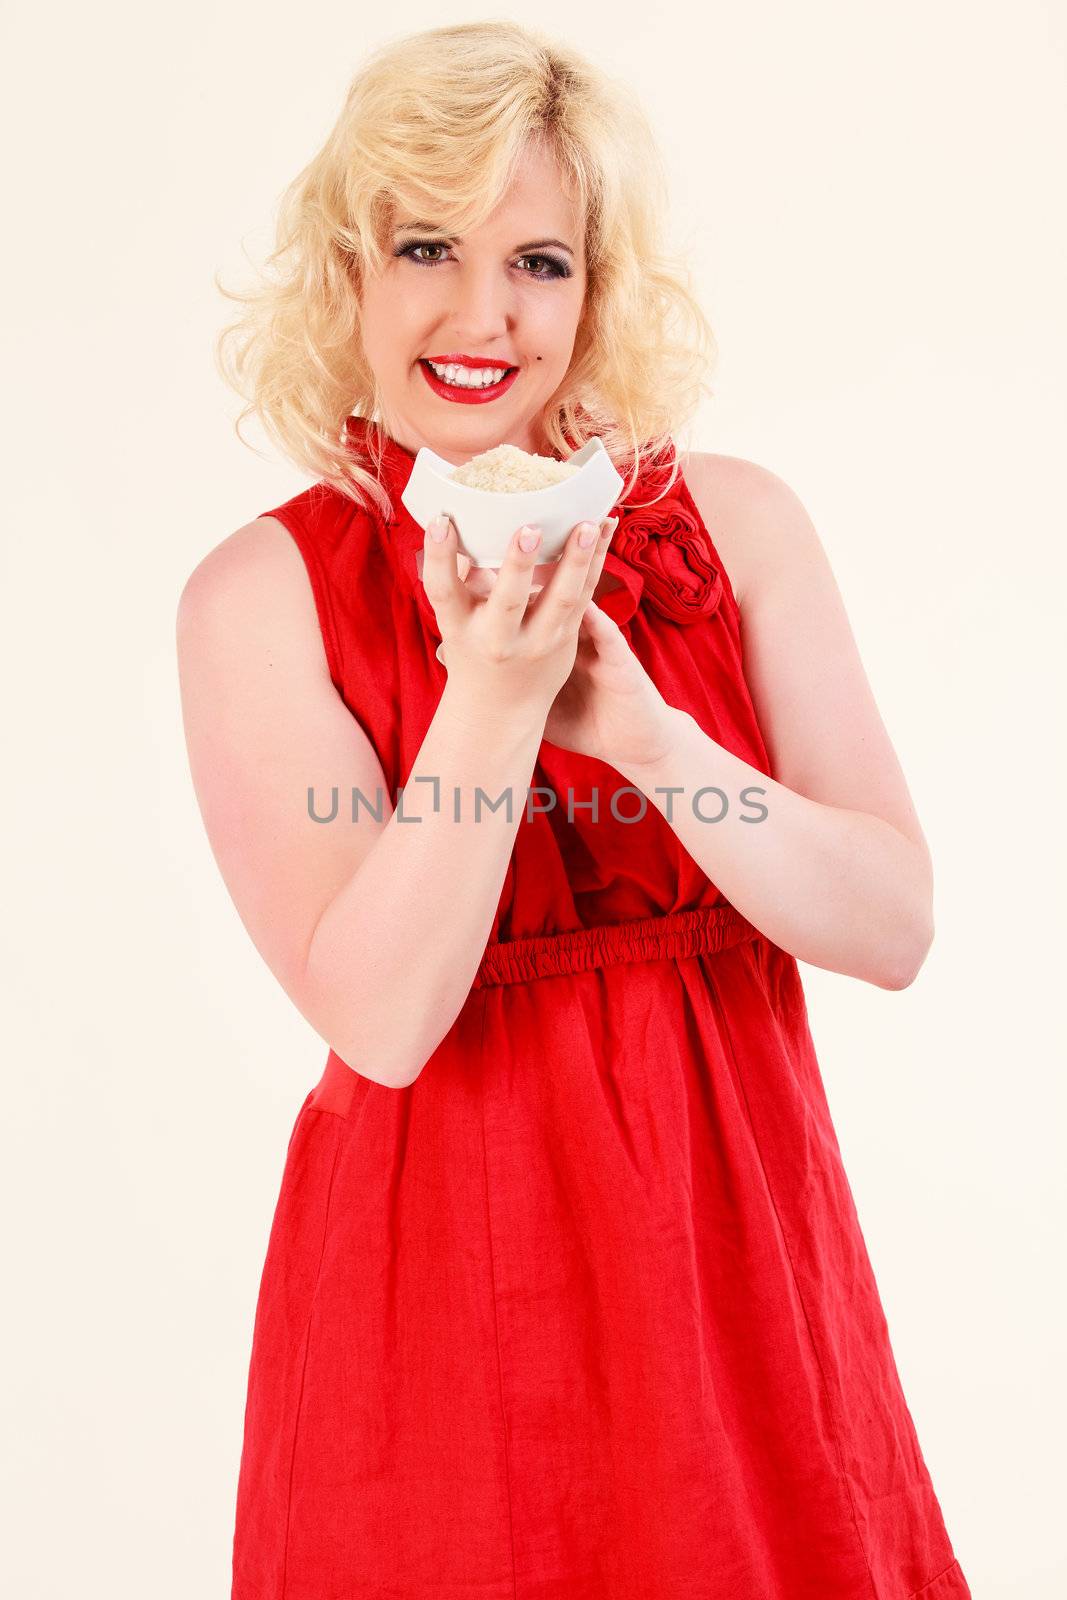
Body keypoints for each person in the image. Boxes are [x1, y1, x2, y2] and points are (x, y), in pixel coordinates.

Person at [177, 20, 971, 1600]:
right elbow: (384, 1022)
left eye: (539, 260)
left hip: (738, 1284)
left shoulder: (734, 527)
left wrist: (654, 738)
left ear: (597, 287)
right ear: (348, 274)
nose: (483, 315)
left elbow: (892, 925)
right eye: (426, 248)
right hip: (448, 1307)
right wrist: (492, 699)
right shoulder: (257, 597)